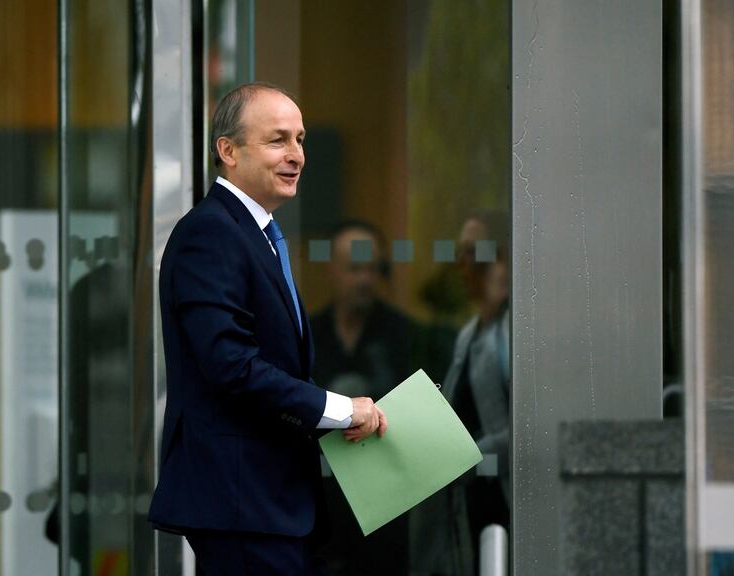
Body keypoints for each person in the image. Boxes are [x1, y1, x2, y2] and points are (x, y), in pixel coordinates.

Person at [148, 82, 388, 574]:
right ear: (228, 151)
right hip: (241, 504)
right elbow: (231, 366)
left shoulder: (256, 235)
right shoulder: (211, 234)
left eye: (300, 140)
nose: (296, 154)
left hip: (268, 504)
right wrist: (339, 410)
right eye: (278, 140)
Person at [310, 221, 455, 575]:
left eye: (372, 269)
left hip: (388, 515)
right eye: (353, 268)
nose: (364, 280)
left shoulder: (408, 337)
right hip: (318, 510)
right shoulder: (306, 337)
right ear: (331, 270)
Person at [439, 210, 512, 575]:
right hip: (471, 505)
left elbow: (534, 422)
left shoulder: (515, 329)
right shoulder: (469, 334)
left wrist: (471, 455)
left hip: (512, 503)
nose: (462, 263)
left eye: (473, 251)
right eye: (460, 252)